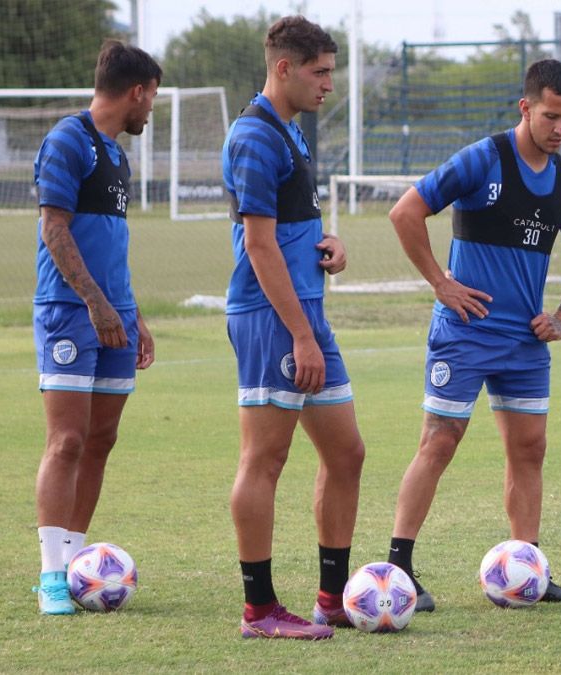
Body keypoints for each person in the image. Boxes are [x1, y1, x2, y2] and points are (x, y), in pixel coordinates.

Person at [386, 59, 561, 613]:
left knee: (530, 450)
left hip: (526, 343)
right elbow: (406, 212)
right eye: (551, 116)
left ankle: (528, 566)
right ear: (526, 108)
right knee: (440, 441)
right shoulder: (485, 158)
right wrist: (442, 284)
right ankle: (400, 567)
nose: (560, 129)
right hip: (465, 333)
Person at [223, 15, 366, 640]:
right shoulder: (255, 136)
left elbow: (286, 230)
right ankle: (260, 610)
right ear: (284, 67)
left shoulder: (290, 133)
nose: (329, 84)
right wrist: (301, 335)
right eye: (320, 72)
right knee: (266, 457)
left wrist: (326, 244)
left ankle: (331, 599)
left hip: (307, 316)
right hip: (273, 321)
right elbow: (258, 246)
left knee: (347, 453)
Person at [31, 40, 161, 616]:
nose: (151, 110)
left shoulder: (117, 154)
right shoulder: (67, 139)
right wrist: (95, 305)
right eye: (151, 97)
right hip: (69, 312)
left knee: (102, 441)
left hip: (116, 317)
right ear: (135, 91)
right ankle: (51, 577)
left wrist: (132, 314)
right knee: (68, 441)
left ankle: (81, 562)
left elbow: (111, 247)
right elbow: (53, 231)